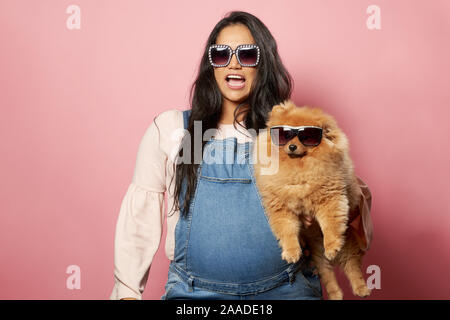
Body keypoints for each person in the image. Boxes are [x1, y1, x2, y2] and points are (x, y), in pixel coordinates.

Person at [110, 11, 372, 300]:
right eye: (222, 54)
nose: (234, 63)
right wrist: (127, 293)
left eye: (247, 54)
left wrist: (315, 212)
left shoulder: (289, 136)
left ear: (264, 65)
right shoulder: (173, 130)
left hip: (285, 290)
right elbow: (140, 219)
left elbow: (344, 194)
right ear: (211, 64)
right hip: (194, 294)